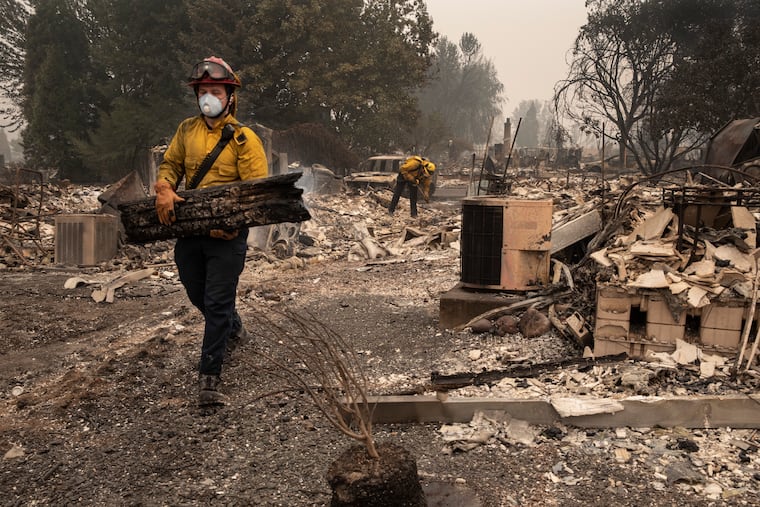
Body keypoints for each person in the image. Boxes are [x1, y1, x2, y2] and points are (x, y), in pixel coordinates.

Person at [154, 56, 268, 407]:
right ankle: (233, 327)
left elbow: (256, 191)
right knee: (195, 291)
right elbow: (171, 163)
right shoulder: (186, 130)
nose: (208, 97)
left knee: (217, 302)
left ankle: (209, 377)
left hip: (227, 237)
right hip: (191, 231)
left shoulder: (244, 139)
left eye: (215, 91)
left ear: (229, 96)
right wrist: (164, 186)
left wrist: (232, 223)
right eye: (203, 91)